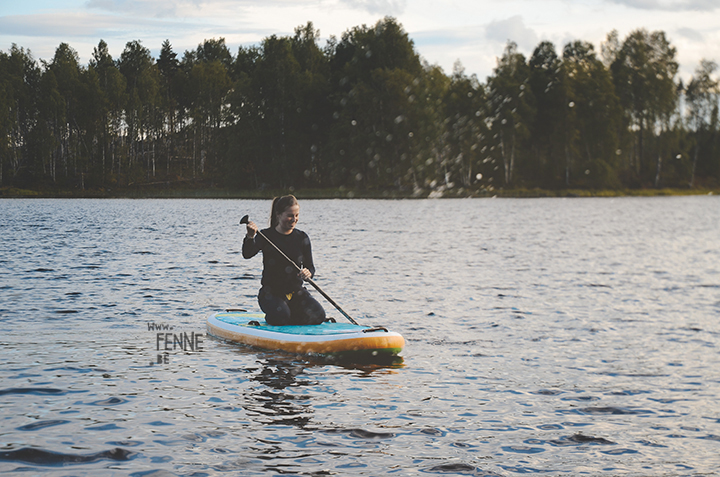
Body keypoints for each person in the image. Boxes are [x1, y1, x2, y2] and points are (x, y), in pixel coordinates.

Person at [242, 195, 327, 326]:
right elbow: (247, 254)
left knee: (319, 315)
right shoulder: (266, 235)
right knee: (282, 317)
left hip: (296, 293)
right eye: (290, 215)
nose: (294, 219)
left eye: (297, 215)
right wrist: (250, 237)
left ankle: (289, 316)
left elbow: (310, 267)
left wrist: (308, 273)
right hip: (271, 294)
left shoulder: (302, 238)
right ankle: (281, 316)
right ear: (279, 215)